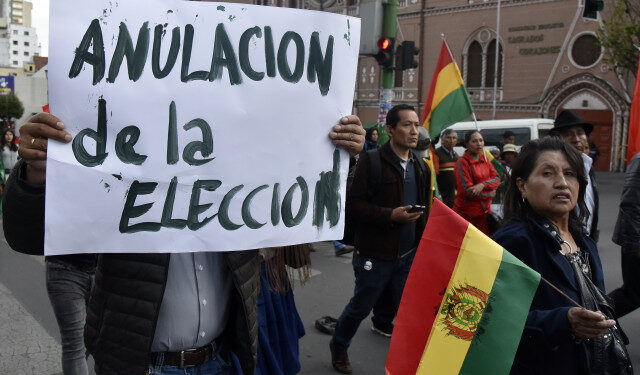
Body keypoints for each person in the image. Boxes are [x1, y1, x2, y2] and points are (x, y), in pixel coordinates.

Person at [3, 112, 365, 375]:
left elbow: (310, 215)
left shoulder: (241, 175)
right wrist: (35, 175)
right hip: (142, 365)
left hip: (221, 361)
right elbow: (28, 235)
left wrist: (341, 158)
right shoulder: (122, 167)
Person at [492, 136, 629, 375]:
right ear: (522, 185)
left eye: (570, 174)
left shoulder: (584, 241)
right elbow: (492, 322)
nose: (562, 183)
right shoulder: (515, 242)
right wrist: (563, 321)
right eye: (547, 174)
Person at [330, 104, 429, 374]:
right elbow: (354, 206)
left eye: (416, 124)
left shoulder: (421, 165)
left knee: (399, 301)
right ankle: (339, 347)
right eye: (407, 125)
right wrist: (390, 215)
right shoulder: (371, 162)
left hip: (407, 254)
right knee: (360, 306)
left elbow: (426, 209)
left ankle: (382, 322)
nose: (414, 130)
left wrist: (422, 246)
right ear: (390, 130)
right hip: (374, 253)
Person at [551, 110, 599, 242]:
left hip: (586, 241)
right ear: (558, 138)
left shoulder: (589, 168)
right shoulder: (552, 170)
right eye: (568, 134)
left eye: (580, 133)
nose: (576, 139)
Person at [608, 152, 640, 317]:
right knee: (633, 294)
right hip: (635, 238)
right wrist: (635, 244)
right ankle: (590, 318)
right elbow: (630, 204)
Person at [453, 130, 500, 235]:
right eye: (474, 141)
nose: (479, 144)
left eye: (481, 140)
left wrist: (483, 185)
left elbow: (497, 178)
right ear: (467, 144)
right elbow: (468, 191)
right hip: (467, 214)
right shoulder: (462, 163)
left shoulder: (485, 159)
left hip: (484, 213)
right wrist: (489, 194)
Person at [434, 128, 458, 208]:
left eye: (454, 138)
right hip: (442, 197)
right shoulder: (436, 154)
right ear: (442, 140)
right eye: (448, 138)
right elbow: (434, 176)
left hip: (454, 196)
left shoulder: (456, 156)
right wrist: (438, 196)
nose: (451, 140)